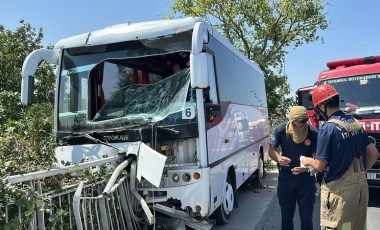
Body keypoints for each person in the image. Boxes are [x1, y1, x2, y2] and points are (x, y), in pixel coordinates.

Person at [301, 84, 380, 230]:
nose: (318, 111)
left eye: (318, 107)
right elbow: (374, 154)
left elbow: (319, 166)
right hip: (361, 189)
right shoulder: (355, 123)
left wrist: (306, 160)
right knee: (358, 225)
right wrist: (361, 174)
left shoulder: (327, 128)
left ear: (323, 105)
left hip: (340, 194)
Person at [269, 106, 318, 230]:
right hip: (286, 179)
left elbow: (318, 160)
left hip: (306, 180)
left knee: (306, 219)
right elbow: (271, 150)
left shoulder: (313, 133)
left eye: (302, 126)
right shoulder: (280, 130)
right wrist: (278, 158)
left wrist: (307, 168)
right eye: (296, 125)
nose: (299, 128)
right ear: (290, 121)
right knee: (286, 218)